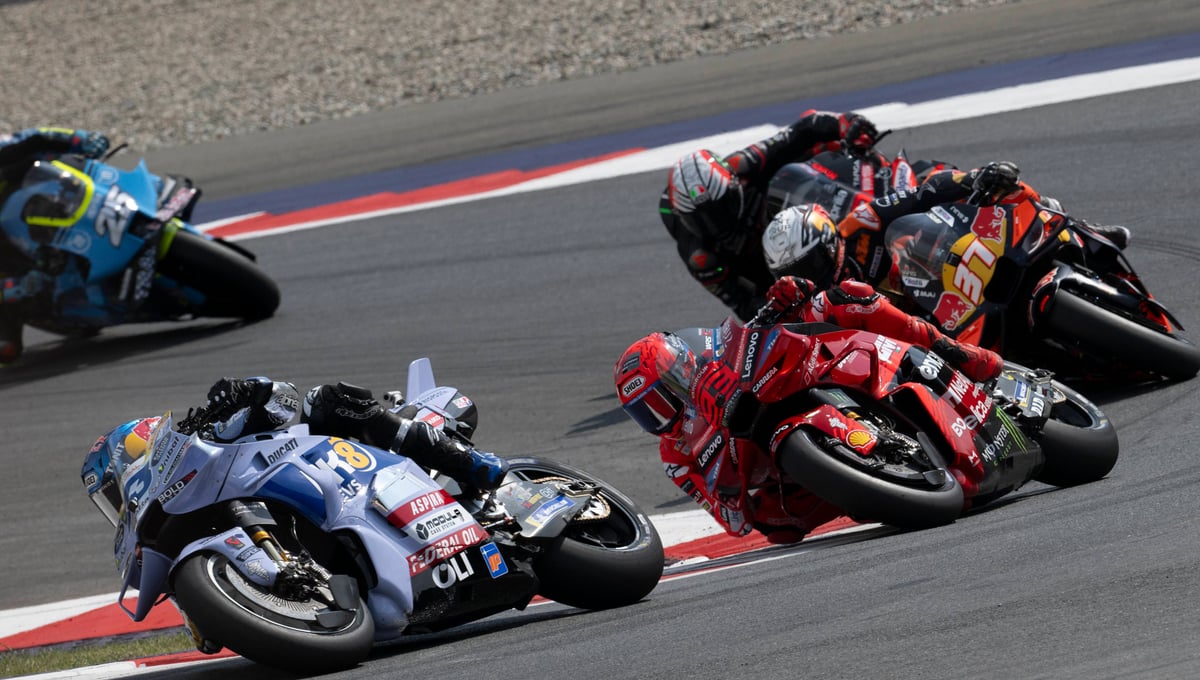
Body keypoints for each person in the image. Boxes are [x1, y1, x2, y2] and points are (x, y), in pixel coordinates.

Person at [613, 273, 1001, 544]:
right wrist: (730, 484)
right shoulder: (676, 456)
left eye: (662, 399)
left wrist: (784, 300)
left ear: (681, 368)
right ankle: (877, 486)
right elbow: (733, 522)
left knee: (845, 297)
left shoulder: (716, 353)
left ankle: (955, 352)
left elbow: (757, 333)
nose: (662, 417)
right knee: (775, 524)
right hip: (789, 471)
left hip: (795, 383)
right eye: (648, 414)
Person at [83, 378, 509, 516]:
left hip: (332, 464)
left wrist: (248, 391)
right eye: (109, 504)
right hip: (317, 513)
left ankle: (471, 464)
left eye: (114, 493)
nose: (120, 507)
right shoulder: (167, 522)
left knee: (326, 399)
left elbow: (283, 399)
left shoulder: (207, 440)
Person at [660, 110, 881, 321]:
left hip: (811, 223)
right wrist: (780, 306)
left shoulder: (743, 164)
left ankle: (874, 188)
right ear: (684, 218)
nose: (716, 224)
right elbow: (743, 304)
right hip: (780, 278)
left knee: (825, 146)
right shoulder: (701, 257)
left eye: (722, 208)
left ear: (735, 182)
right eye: (700, 220)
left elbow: (802, 130)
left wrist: (846, 123)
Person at [834, 160, 1132, 287]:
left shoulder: (856, 224)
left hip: (949, 250)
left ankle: (1082, 232)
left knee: (1009, 191)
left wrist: (974, 178)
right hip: (934, 313)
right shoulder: (824, 304)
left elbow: (922, 193)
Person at [0, 127, 111, 364]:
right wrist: (13, 288)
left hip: (49, 204)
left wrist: (81, 138)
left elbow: (35, 138)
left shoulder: (4, 150)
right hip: (16, 262)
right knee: (5, 349)